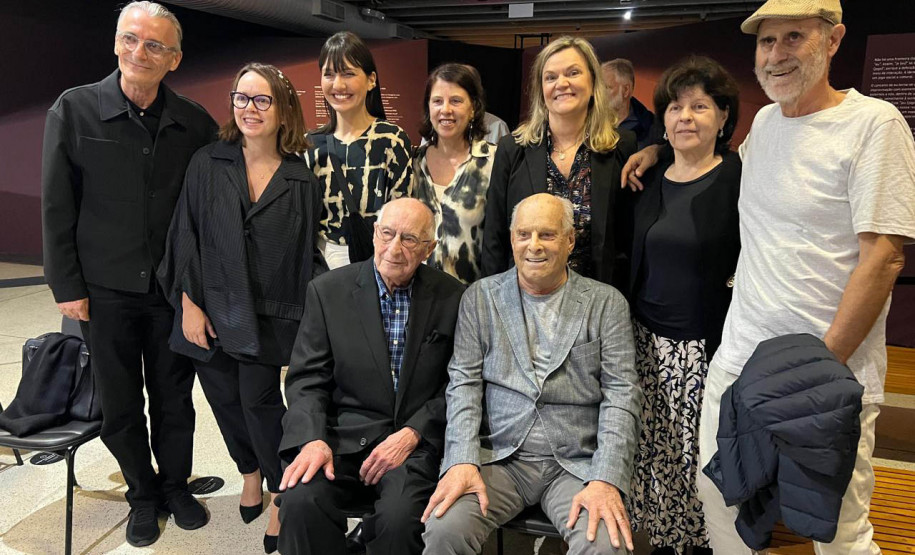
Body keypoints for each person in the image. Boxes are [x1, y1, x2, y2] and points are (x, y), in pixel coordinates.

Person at [622, 1, 915, 552]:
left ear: (833, 41)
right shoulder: (766, 123)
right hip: (738, 361)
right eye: (766, 41)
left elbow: (884, 257)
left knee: (838, 530)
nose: (777, 54)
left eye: (794, 38)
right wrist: (660, 147)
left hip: (828, 371)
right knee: (720, 500)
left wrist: (821, 368)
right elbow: (708, 163)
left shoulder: (874, 125)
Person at [40, 1, 217, 547]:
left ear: (175, 59)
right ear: (117, 43)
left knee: (174, 397)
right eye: (131, 39)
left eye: (156, 45)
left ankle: (175, 486)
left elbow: (207, 211)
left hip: (171, 291)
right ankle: (141, 494)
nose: (141, 52)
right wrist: (66, 286)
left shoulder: (195, 123)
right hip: (103, 290)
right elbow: (56, 204)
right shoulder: (73, 110)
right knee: (120, 403)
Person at [157, 62, 324, 553]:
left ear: (283, 108)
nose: (250, 109)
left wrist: (304, 326)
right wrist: (188, 303)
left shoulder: (301, 178)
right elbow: (184, 235)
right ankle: (247, 472)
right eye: (241, 98)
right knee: (224, 401)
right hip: (208, 307)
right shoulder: (208, 162)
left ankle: (278, 491)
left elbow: (302, 255)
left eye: (262, 99)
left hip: (272, 315)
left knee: (260, 403)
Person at [422, 193, 642, 555]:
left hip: (576, 465)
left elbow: (622, 397)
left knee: (606, 546)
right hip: (500, 459)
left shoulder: (606, 304)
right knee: (445, 528)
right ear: (511, 240)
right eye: (524, 234)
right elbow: (463, 384)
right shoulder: (480, 298)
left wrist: (605, 478)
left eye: (547, 235)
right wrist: (461, 459)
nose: (534, 246)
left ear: (570, 240)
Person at [276, 198, 465, 555]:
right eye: (387, 233)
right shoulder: (328, 291)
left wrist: (414, 433)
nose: (394, 248)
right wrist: (313, 439)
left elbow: (460, 384)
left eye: (409, 239)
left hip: (410, 445)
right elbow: (306, 379)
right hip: (340, 436)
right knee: (301, 502)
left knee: (400, 521)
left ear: (429, 248)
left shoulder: (453, 298)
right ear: (374, 233)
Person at [625, 56, 741, 555]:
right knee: (652, 456)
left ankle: (697, 546)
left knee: (693, 462)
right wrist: (652, 151)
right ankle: (664, 542)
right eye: (675, 107)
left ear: (723, 116)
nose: (685, 117)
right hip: (642, 340)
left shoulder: (738, 177)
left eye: (699, 106)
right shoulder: (649, 176)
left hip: (700, 349)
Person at [482, 36, 637, 287]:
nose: (562, 83)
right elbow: (494, 236)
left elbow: (628, 235)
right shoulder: (513, 148)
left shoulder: (621, 146)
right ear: (541, 89)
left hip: (598, 300)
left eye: (573, 73)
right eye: (551, 77)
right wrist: (492, 299)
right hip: (527, 299)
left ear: (593, 81)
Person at [303, 31, 413, 270]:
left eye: (348, 73)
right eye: (329, 74)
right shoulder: (310, 145)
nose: (338, 84)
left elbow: (403, 213)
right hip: (322, 262)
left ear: (371, 80)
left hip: (379, 261)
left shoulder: (392, 140)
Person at [413, 63, 497, 284]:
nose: (446, 110)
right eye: (437, 101)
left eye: (456, 101)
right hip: (418, 298)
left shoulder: (493, 162)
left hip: (472, 298)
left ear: (473, 109)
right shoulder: (412, 163)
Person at [601, 59, 656, 150]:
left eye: (606, 87)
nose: (599, 94)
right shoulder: (587, 121)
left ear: (626, 90)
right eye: (598, 88)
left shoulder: (652, 128)